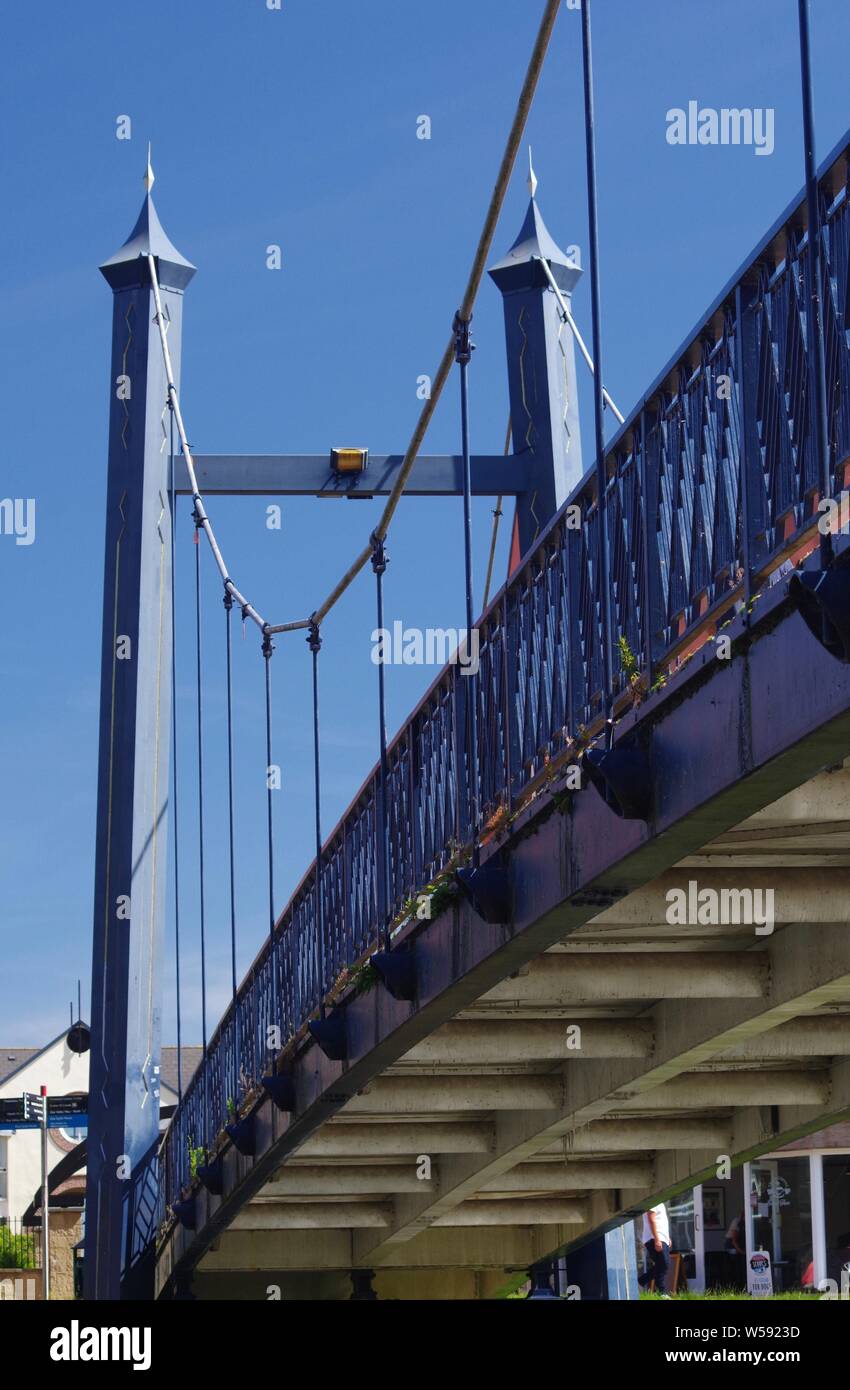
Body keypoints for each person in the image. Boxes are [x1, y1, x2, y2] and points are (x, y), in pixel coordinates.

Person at [638, 1203, 672, 1294]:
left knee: (663, 1264)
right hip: (654, 1238)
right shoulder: (654, 1201)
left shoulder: (661, 1203)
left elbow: (661, 1222)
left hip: (661, 1238)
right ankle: (662, 1292)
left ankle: (641, 1281)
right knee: (664, 1264)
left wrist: (667, 1237)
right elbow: (651, 1219)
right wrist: (657, 1239)